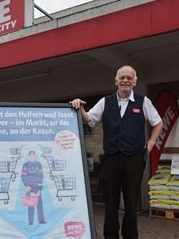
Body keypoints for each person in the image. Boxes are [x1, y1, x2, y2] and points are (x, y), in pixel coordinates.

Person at [70, 65, 163, 239]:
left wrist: (150, 144)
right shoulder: (106, 101)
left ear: (135, 81)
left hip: (133, 160)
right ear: (116, 81)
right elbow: (89, 120)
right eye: (122, 78)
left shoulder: (143, 101)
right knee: (110, 205)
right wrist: (79, 107)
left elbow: (158, 123)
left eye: (129, 78)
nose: (125, 80)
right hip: (111, 160)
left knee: (131, 205)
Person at [21, 150, 46, 225]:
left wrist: (39, 187)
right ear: (29, 156)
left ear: (35, 156)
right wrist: (26, 186)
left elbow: (41, 175)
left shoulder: (38, 164)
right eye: (30, 155)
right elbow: (23, 176)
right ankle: (31, 221)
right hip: (29, 187)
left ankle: (41, 220)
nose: (32, 156)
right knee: (31, 204)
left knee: (39, 204)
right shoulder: (25, 165)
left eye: (33, 155)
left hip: (37, 186)